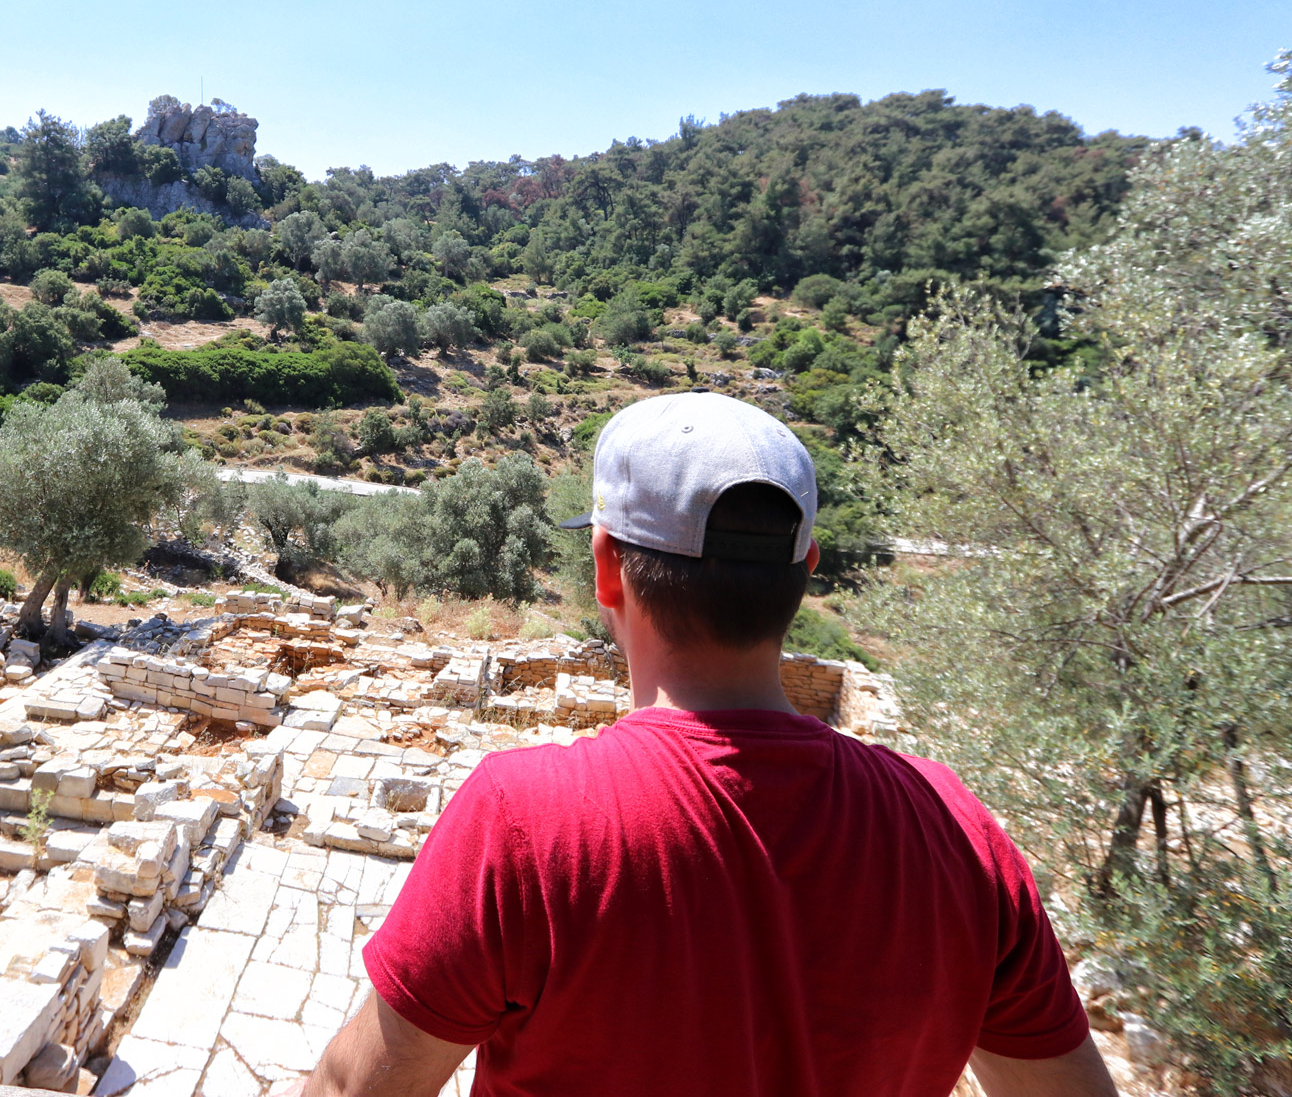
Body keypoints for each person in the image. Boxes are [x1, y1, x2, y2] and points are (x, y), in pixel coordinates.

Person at [284, 393, 1114, 1097]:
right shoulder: (960, 835)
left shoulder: (529, 824)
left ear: (606, 569)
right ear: (807, 569)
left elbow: (356, 1086)